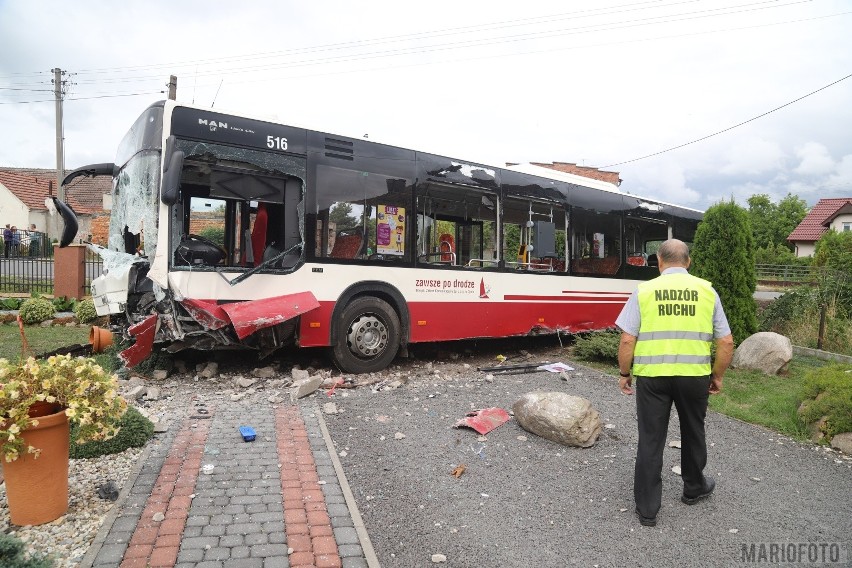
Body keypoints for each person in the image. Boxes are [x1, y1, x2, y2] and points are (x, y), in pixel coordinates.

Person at [615, 238, 734, 527]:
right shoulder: (707, 291)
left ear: (659, 261)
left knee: (651, 437)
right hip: (694, 378)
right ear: (688, 261)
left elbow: (628, 338)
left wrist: (624, 373)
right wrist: (716, 375)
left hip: (653, 379)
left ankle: (647, 509)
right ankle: (694, 487)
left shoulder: (644, 291)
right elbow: (726, 342)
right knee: (693, 430)